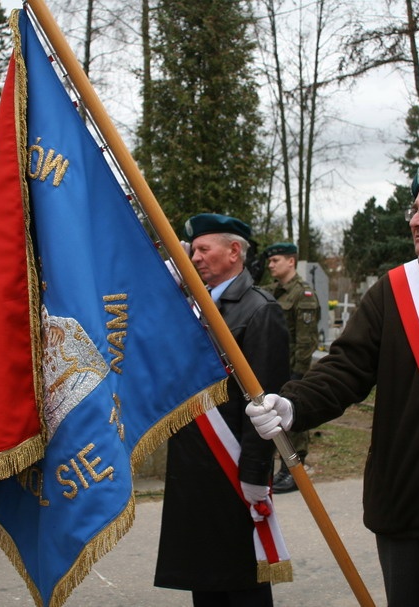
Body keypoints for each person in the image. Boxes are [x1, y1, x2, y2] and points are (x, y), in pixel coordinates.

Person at [246, 160, 419, 606]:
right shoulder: (393, 291)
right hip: (403, 504)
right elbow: (346, 368)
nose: (414, 220)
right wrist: (292, 405)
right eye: (414, 210)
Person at [154, 213, 290, 607]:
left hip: (232, 469)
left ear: (234, 251)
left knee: (241, 578)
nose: (193, 257)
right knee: (206, 580)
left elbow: (264, 403)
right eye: (191, 250)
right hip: (195, 468)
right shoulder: (195, 307)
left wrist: (254, 474)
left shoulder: (259, 310)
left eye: (202, 249)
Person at [261, 242, 320, 494]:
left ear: (291, 262)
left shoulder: (303, 294)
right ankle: (282, 468)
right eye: (270, 261)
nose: (271, 265)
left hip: (293, 368)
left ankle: (293, 471)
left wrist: (299, 373)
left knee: (292, 420)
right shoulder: (275, 291)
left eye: (276, 261)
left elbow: (307, 340)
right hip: (275, 365)